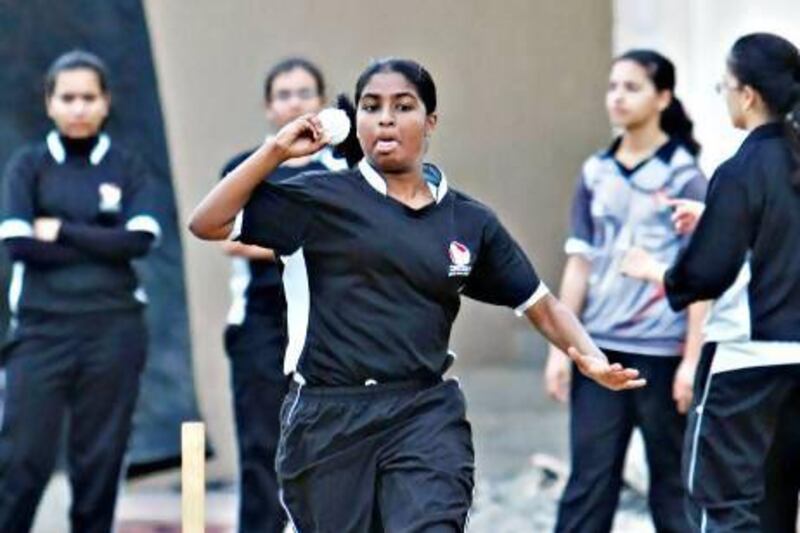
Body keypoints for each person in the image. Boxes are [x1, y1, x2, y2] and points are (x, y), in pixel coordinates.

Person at [189, 57, 645, 532]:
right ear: (357, 122)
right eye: (371, 106)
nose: (385, 117)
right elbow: (208, 223)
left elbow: (539, 303)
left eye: (403, 106)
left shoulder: (470, 222)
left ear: (430, 122)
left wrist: (589, 357)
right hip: (328, 418)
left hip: (422, 413)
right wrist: (275, 152)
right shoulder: (317, 198)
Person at [621, 33, 800, 532]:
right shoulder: (789, 162)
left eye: (724, 84)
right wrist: (714, 215)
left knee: (721, 504)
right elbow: (780, 233)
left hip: (745, 365)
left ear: (747, 95)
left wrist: (652, 269)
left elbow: (705, 274)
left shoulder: (743, 168)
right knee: (778, 505)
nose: (722, 94)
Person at [544, 50, 708, 533]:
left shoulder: (684, 176)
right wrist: (563, 350)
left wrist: (692, 359)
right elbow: (579, 264)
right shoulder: (595, 173)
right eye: (613, 85)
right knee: (589, 487)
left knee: (674, 492)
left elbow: (700, 279)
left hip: (662, 354)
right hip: (601, 354)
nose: (617, 97)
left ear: (663, 97)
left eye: (632, 87)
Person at [0, 50, 161, 532]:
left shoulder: (126, 166)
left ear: (106, 102)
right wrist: (102, 240)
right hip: (40, 331)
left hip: (114, 331)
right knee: (22, 458)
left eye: (88, 97)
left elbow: (139, 241)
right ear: (49, 103)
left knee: (99, 463)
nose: (78, 108)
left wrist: (62, 231)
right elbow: (19, 245)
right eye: (67, 98)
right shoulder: (28, 166)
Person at [219, 57, 345, 533]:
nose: (295, 102)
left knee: (330, 451)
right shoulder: (246, 168)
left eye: (305, 93)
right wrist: (303, 239)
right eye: (284, 95)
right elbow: (226, 236)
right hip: (261, 325)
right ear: (269, 108)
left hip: (330, 324)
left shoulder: (346, 169)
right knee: (261, 449)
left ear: (321, 101)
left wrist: (275, 238)